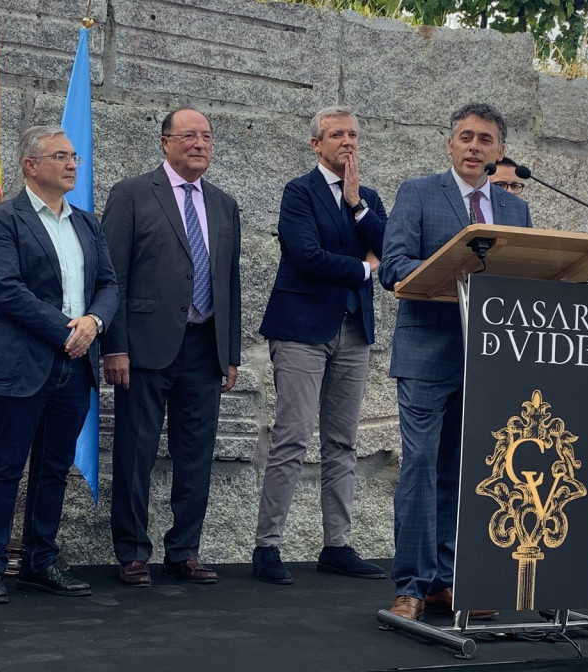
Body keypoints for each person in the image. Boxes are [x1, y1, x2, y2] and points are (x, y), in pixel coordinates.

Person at [377, 103, 533, 624]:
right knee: (420, 467)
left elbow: (524, 281)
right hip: (427, 352)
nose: (473, 146)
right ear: (449, 145)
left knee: (464, 472)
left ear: (499, 152)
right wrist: (446, 269)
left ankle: (447, 580)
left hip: (488, 359)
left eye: (484, 139)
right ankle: (411, 586)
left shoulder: (514, 211)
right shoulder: (418, 193)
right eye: (465, 137)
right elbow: (393, 266)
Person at [0, 125, 119, 604]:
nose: (73, 163)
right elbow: (7, 289)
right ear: (30, 166)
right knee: (6, 467)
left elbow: (110, 285)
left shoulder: (87, 224)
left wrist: (93, 322)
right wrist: (67, 332)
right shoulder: (0, 221)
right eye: (60, 156)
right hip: (24, 363)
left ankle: (40, 561)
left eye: (74, 155)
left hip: (76, 367)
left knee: (54, 467)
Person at [101, 107, 241, 588]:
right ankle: (132, 552)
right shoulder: (133, 194)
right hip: (143, 347)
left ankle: (184, 550)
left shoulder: (224, 204)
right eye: (188, 136)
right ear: (164, 142)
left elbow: (229, 283)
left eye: (206, 136)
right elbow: (110, 276)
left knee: (196, 454)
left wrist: (231, 353)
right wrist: (112, 346)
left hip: (205, 347)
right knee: (135, 452)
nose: (199, 143)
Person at [253, 107, 388, 585]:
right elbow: (307, 257)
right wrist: (363, 267)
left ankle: (337, 545)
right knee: (292, 437)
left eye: (354, 134)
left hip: (353, 331)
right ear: (316, 144)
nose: (348, 142)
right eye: (337, 135)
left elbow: (388, 253)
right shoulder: (299, 191)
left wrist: (356, 204)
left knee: (343, 442)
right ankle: (268, 546)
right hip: (301, 330)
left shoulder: (366, 198)